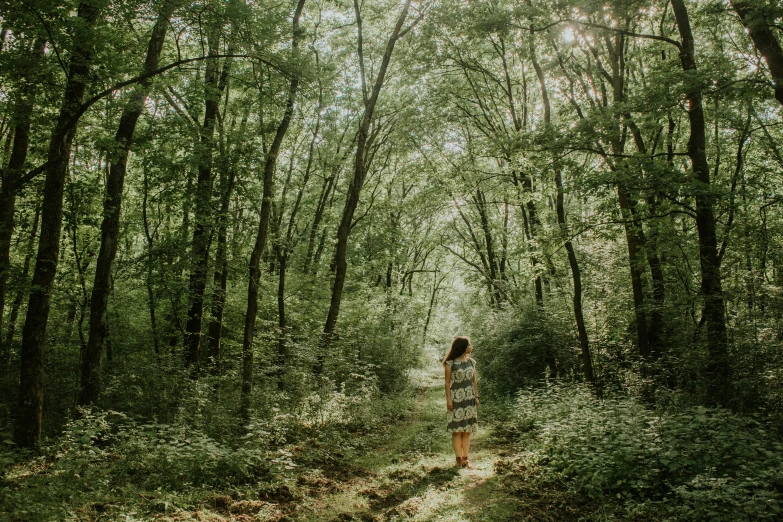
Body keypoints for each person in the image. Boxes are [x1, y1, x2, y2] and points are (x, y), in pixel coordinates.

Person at [443, 336, 479, 468]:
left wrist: (476, 397)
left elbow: (474, 381)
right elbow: (447, 383)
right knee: (457, 430)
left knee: (467, 430)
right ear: (463, 347)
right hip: (456, 399)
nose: (471, 347)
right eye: (469, 345)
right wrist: (449, 400)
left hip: (469, 399)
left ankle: (466, 459)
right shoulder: (450, 363)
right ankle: (458, 459)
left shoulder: (472, 362)